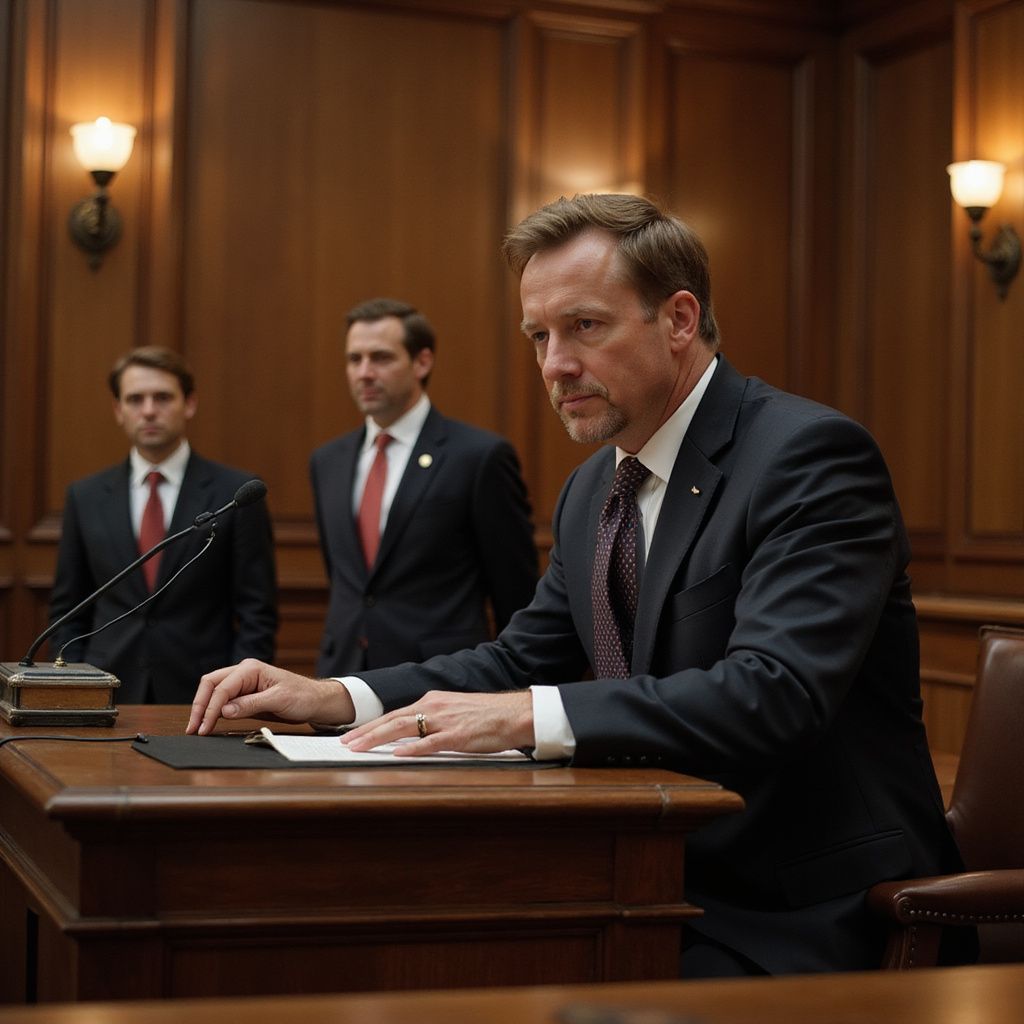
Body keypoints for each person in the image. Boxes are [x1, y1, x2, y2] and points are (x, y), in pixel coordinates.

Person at [187, 195, 964, 976]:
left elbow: (774, 691)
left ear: (680, 319)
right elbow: (517, 660)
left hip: (802, 901)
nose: (554, 364)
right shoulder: (594, 487)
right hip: (648, 868)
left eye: (585, 326)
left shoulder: (808, 456)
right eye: (538, 336)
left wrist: (524, 716)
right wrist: (336, 697)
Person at [309, 297, 538, 674]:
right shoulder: (327, 462)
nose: (364, 372)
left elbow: (514, 590)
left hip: (439, 678)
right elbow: (347, 580)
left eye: (381, 358)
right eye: (354, 359)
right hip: (341, 675)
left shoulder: (479, 457)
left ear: (422, 362)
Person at [49, 346, 277, 703]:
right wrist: (75, 684)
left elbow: (256, 613)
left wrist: (239, 692)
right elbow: (68, 609)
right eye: (136, 399)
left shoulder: (235, 493)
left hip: (203, 694)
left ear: (189, 404)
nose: (149, 410)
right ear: (118, 410)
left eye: (163, 397)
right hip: (105, 690)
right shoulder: (85, 496)